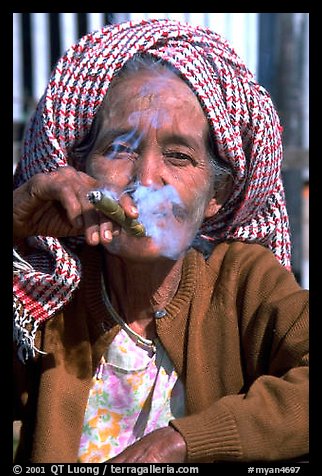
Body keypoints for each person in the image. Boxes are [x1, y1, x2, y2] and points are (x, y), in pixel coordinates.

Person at [13, 18, 308, 464]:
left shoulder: (245, 283)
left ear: (217, 195)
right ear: (81, 168)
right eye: (119, 148)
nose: (146, 179)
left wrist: (184, 442)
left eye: (178, 156)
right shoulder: (49, 297)